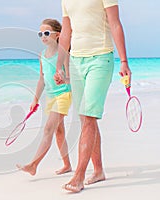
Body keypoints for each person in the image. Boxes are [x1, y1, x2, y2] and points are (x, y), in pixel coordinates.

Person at [54, 0, 132, 193]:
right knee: (84, 117)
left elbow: (115, 23)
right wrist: (60, 65)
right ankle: (98, 171)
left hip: (101, 58)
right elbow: (66, 32)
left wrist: (124, 61)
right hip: (75, 61)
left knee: (89, 117)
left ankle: (79, 176)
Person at [16, 19, 72, 176]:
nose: (43, 36)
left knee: (48, 128)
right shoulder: (42, 55)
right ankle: (67, 165)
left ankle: (33, 165)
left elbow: (71, 78)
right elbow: (41, 78)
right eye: (40, 34)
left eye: (46, 33)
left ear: (57, 35)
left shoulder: (64, 53)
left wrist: (63, 78)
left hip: (63, 94)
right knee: (58, 132)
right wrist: (35, 99)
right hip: (51, 96)